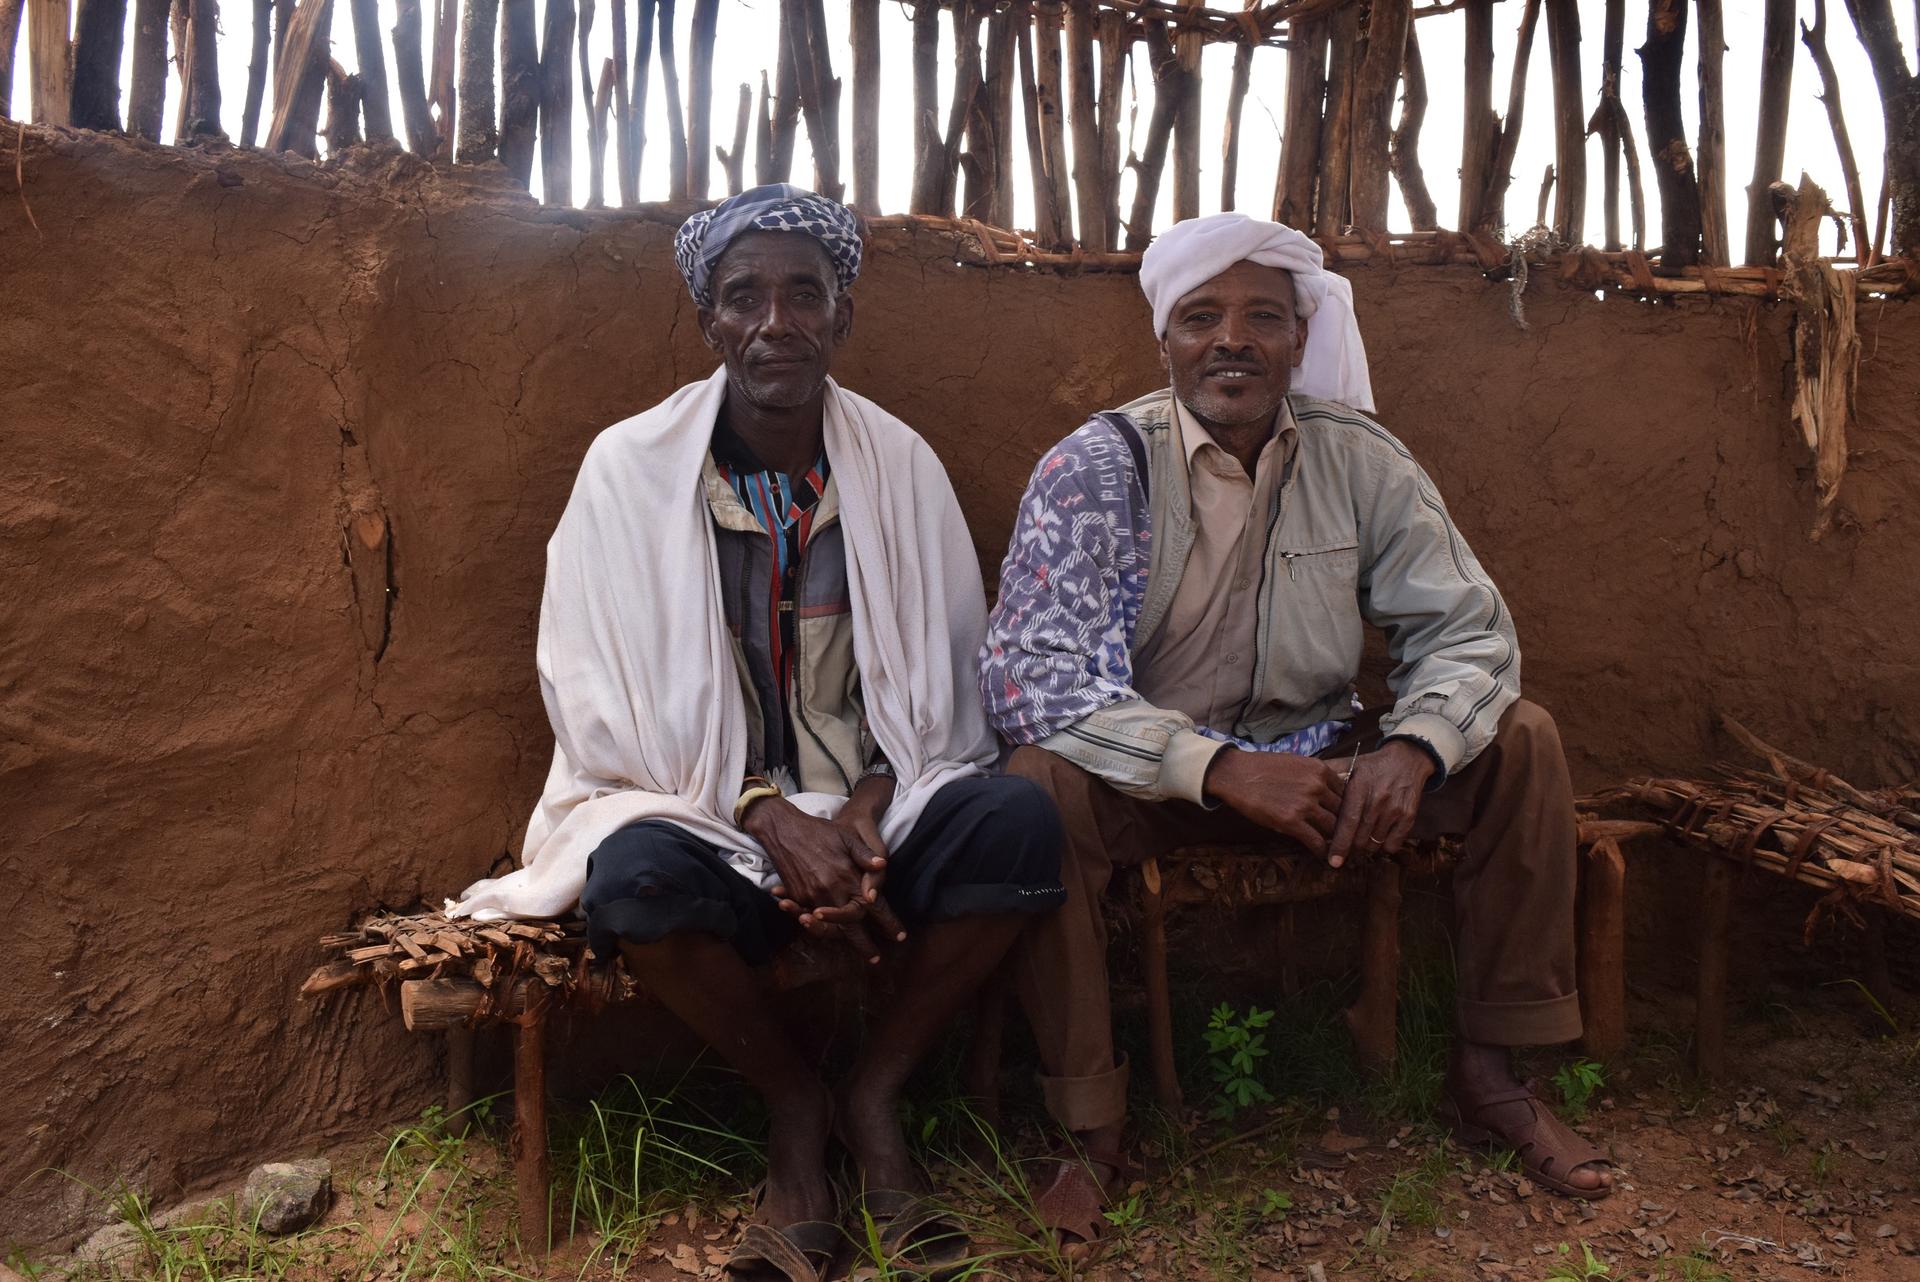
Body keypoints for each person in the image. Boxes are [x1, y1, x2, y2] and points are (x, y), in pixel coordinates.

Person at [454, 185, 1064, 1282]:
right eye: (746, 297)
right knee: (631, 879)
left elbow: (938, 702)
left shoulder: (902, 465)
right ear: (709, 322)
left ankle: (874, 1091)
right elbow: (597, 705)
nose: (776, 322)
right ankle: (794, 1107)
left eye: (804, 295)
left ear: (843, 317)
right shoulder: (627, 473)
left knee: (1016, 820)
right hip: (705, 814)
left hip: (881, 811)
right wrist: (765, 814)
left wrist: (867, 819)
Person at [979, 211, 1612, 1250]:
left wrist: (1414, 747)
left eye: (1263, 317)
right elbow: (1032, 676)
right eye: (1203, 317)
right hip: (1160, 783)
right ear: (1166, 339)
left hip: (1325, 766)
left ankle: (1497, 1074)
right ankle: (1086, 1125)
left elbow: (1469, 630)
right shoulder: (1096, 468)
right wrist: (1216, 769)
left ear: (1301, 339)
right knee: (1037, 782)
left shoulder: (1360, 459)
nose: (1233, 340)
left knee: (1521, 739)